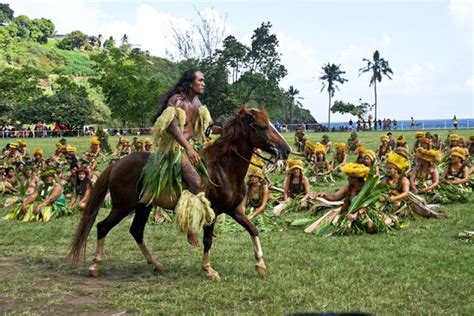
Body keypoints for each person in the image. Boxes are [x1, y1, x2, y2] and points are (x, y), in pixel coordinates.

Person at [140, 68, 214, 247]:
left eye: (203, 80)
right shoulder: (177, 101)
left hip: (189, 147)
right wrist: (188, 148)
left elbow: (206, 126)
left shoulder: (197, 102)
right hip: (173, 149)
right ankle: (190, 227)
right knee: (196, 181)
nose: (203, 83)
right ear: (190, 83)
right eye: (200, 80)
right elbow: (171, 127)